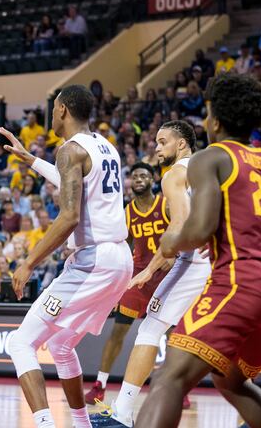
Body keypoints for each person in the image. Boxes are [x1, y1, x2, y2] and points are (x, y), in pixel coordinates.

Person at [136, 73, 261, 427]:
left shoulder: (210, 157)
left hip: (241, 281)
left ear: (214, 120)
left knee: (170, 377)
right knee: (231, 380)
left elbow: (198, 230)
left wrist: (169, 242)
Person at [0, 85, 132, 428]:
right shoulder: (106, 147)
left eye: (52, 109)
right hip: (119, 260)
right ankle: (81, 423)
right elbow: (78, 183)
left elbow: (69, 216)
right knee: (59, 344)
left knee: (20, 343)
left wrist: (29, 262)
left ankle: (45, 424)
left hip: (95, 261)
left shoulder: (70, 149)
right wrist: (32, 161)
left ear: (61, 110)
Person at [90, 120, 211, 427]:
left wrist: (150, 270)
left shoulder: (174, 175)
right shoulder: (208, 166)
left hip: (194, 261)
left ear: (181, 143)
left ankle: (123, 414)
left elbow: (179, 225)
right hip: (224, 261)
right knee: (222, 340)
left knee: (149, 329)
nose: (156, 147)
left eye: (162, 141)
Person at [84, 162, 174, 405]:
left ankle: (174, 389)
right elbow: (124, 245)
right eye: (134, 176)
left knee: (174, 335)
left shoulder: (165, 204)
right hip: (138, 277)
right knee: (118, 331)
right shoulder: (126, 212)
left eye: (143, 175)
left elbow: (181, 231)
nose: (138, 179)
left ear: (153, 179)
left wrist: (174, 256)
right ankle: (100, 385)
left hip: (168, 275)